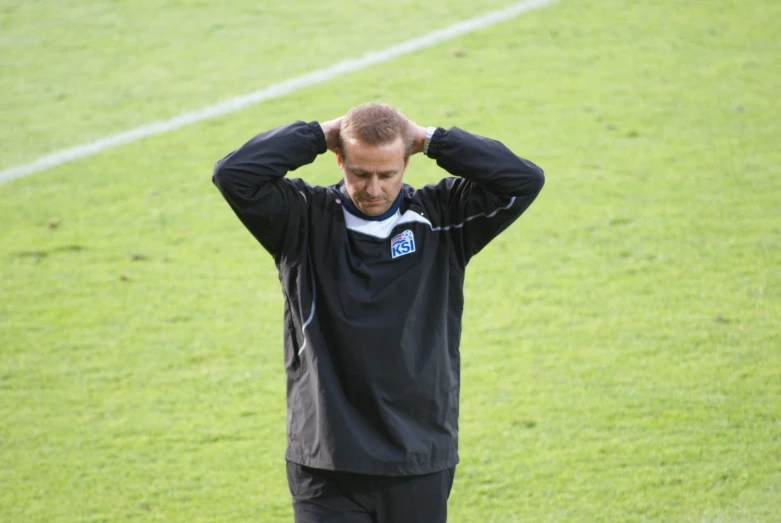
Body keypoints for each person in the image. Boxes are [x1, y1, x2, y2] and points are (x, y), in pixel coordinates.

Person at [212, 102, 544, 522]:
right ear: (339, 159)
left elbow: (523, 180)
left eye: (387, 174)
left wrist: (432, 139)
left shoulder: (442, 218)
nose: (373, 189)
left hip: (417, 458)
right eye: (360, 173)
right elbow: (233, 175)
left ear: (407, 162)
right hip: (327, 462)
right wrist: (317, 133)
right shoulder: (301, 219)